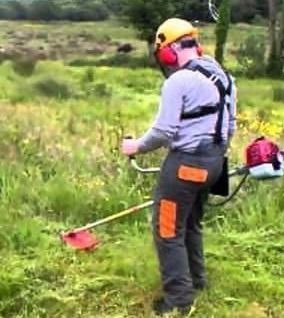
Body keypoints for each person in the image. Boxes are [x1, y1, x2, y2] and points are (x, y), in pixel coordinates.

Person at [121, 18, 237, 315]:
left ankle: (179, 300)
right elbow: (231, 126)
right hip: (215, 162)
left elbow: (163, 132)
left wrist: (136, 146)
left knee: (168, 230)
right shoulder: (223, 76)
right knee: (192, 224)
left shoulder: (178, 80)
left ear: (170, 49)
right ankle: (197, 281)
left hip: (186, 166)